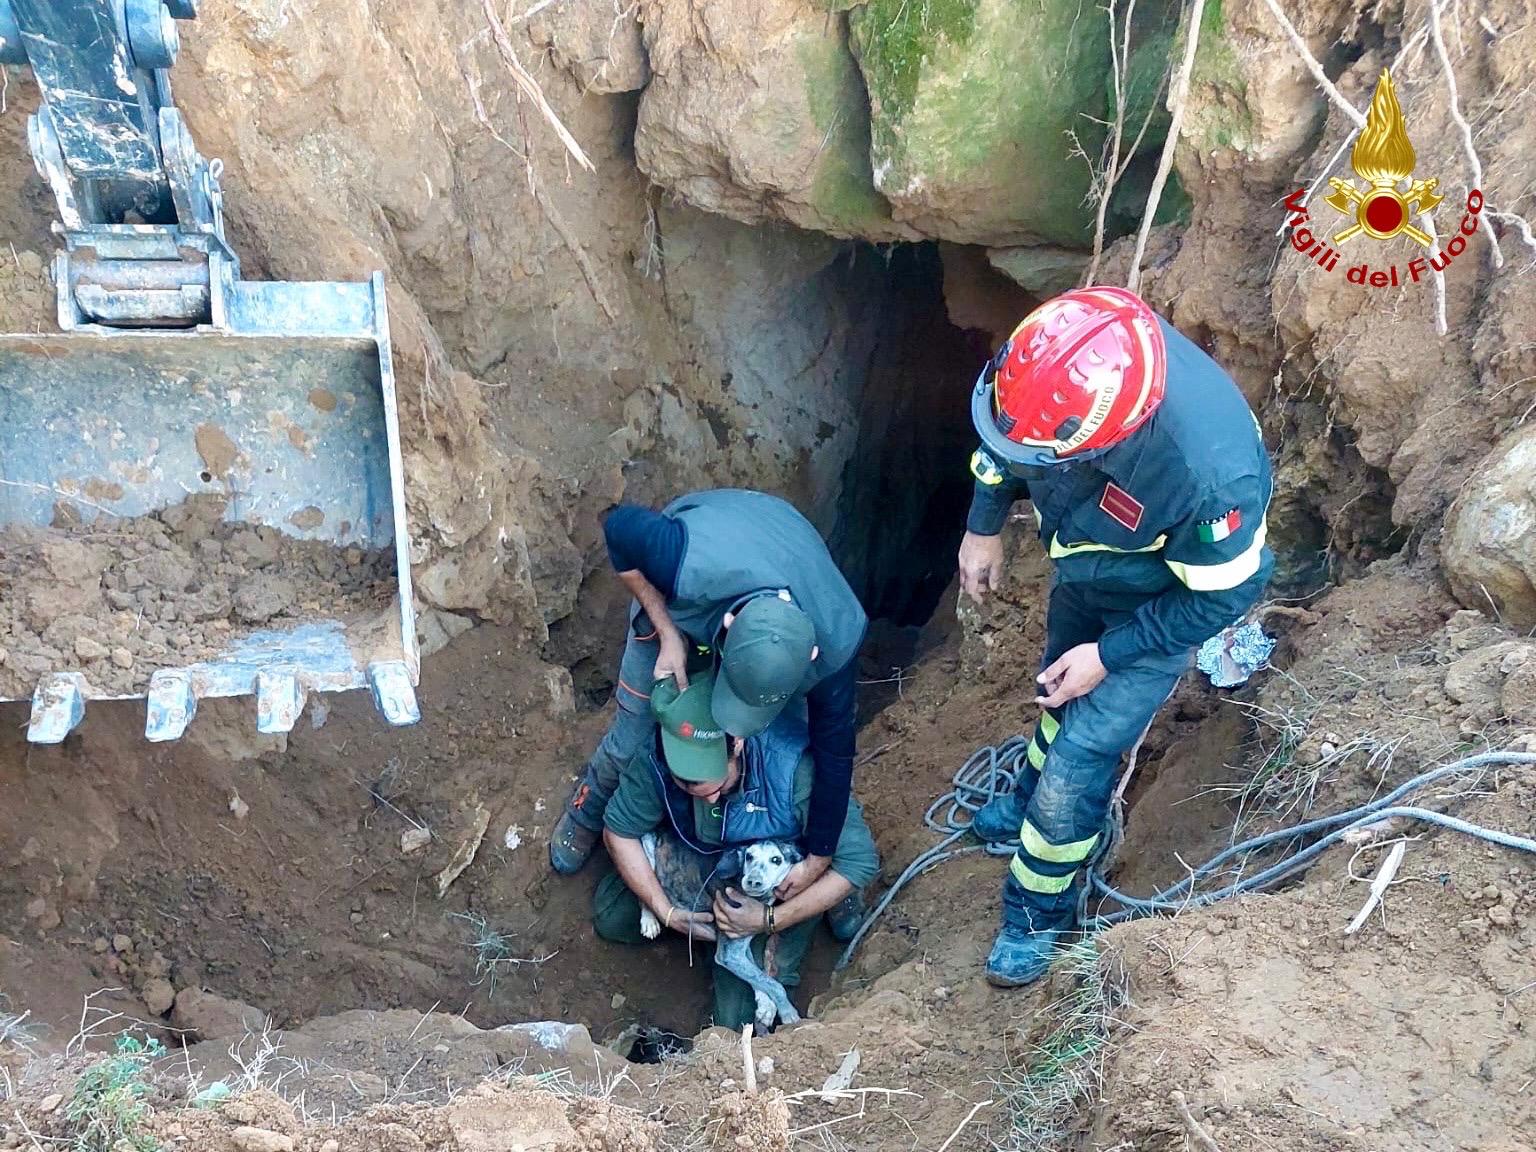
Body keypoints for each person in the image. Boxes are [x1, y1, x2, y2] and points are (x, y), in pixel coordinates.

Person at [958, 286, 1273, 987]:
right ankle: (1022, 803)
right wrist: (983, 523)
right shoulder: (1068, 351)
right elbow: (1003, 441)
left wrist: (1109, 654)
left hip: (1158, 607)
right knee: (1053, 690)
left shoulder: (1211, 476)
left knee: (1081, 757)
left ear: (1104, 438)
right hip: (1088, 567)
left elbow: (1226, 593)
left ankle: (1038, 914)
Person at [550, 488, 868, 931]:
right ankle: (586, 811)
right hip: (701, 582)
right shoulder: (684, 565)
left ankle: (820, 874)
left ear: (812, 655)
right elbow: (619, 530)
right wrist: (667, 632)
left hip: (788, 573)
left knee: (794, 752)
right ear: (728, 626)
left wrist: (820, 858)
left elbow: (835, 757)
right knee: (634, 731)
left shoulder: (837, 639)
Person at [592, 671, 880, 1030]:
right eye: (690, 784)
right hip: (703, 865)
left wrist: (771, 919)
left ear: (738, 745)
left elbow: (859, 861)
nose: (709, 796)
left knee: (740, 1023)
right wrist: (664, 911)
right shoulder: (658, 756)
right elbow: (619, 830)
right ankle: (695, 940)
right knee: (613, 916)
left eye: (718, 781)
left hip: (776, 886)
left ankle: (820, 911)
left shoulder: (793, 766)